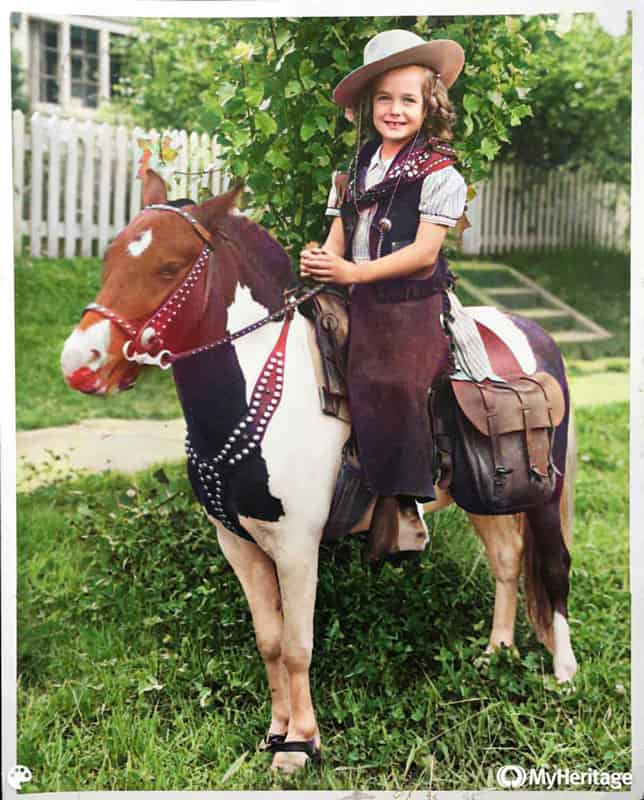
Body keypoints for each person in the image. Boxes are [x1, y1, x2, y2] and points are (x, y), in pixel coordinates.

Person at [300, 29, 468, 551]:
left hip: (409, 305)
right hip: (358, 297)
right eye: (384, 99)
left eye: (408, 100)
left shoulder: (440, 173)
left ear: (428, 106)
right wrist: (323, 260)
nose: (395, 110)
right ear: (368, 106)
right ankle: (316, 483)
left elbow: (423, 252)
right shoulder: (351, 172)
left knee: (393, 380)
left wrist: (353, 274)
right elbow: (339, 235)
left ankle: (402, 502)